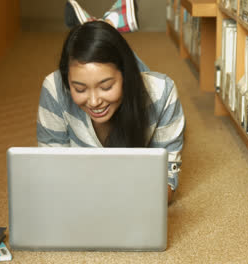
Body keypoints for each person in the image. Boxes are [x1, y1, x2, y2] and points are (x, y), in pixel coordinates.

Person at [37, 0, 185, 202]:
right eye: (80, 89)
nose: (94, 101)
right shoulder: (55, 88)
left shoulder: (162, 93)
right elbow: (50, 170)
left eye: (106, 87)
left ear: (127, 76)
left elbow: (168, 182)